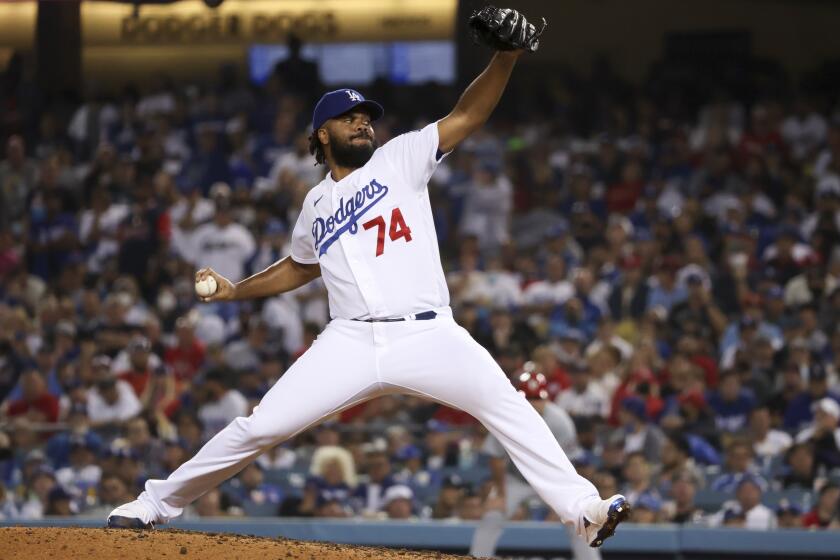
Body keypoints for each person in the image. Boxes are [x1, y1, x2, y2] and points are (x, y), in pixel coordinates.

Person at [107, 11, 629, 548]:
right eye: (348, 117)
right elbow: (301, 265)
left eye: (366, 116)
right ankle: (152, 504)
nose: (362, 123)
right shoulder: (315, 203)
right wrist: (238, 290)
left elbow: (468, 114)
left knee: (508, 406)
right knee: (260, 427)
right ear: (321, 134)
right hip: (350, 339)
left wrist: (506, 56)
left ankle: (583, 508)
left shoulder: (400, 157)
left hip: (429, 333)